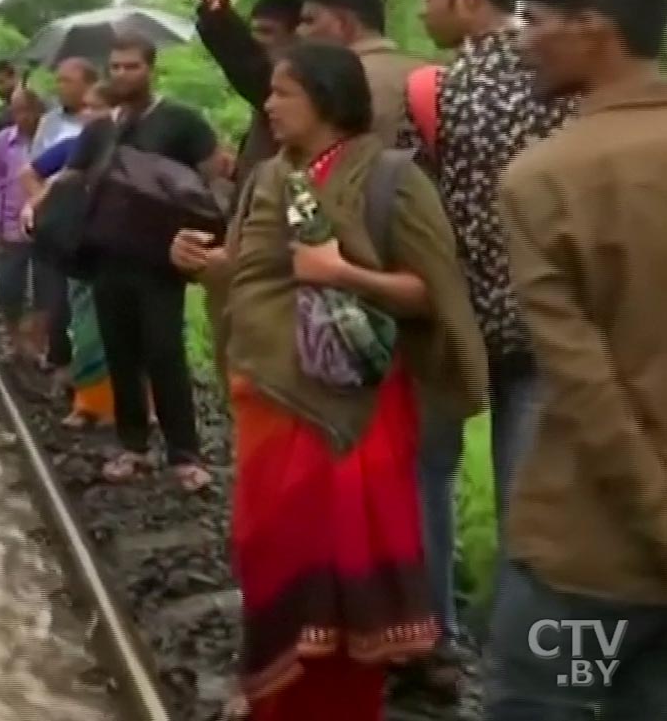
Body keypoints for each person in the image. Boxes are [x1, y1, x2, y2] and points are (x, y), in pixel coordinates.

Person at [174, 43, 486, 721]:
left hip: (350, 417)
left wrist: (342, 273)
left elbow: (432, 292)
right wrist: (204, 261)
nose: (268, 104)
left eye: (283, 91)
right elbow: (253, 268)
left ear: (325, 98)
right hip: (265, 400)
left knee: (337, 583)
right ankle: (273, 699)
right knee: (268, 555)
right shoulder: (266, 178)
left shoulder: (393, 182)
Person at [486, 0, 667, 719]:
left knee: (558, 698)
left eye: (534, 19)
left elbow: (584, 382)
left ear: (593, 26)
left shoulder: (546, 178)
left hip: (591, 564)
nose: (522, 41)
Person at [400, 0, 577, 694]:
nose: (424, 9)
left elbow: (414, 205)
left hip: (455, 325)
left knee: (426, 472)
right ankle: (525, 669)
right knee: (527, 505)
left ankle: (434, 639)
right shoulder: (565, 80)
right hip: (548, 324)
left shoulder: (436, 90)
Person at [66, 32, 224, 490]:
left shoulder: (181, 122)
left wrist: (205, 238)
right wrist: (45, 205)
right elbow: (73, 176)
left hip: (161, 260)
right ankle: (132, 446)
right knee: (120, 353)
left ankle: (184, 454)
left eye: (131, 66)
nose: (121, 74)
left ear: (151, 69)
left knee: (163, 352)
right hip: (109, 256)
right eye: (114, 67)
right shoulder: (101, 128)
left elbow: (216, 178)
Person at [22, 81, 119, 427]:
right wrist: (37, 206)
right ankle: (89, 402)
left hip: (124, 250)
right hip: (81, 248)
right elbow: (37, 175)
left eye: (97, 108)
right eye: (86, 109)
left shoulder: (131, 148)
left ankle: (129, 409)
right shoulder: (75, 147)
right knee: (83, 325)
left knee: (123, 331)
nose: (89, 116)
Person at [26, 57, 97, 373]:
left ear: (88, 84)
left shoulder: (103, 126)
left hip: (95, 224)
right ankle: (64, 368)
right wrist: (37, 204)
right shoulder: (52, 123)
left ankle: (90, 381)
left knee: (87, 305)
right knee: (57, 301)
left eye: (67, 80)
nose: (60, 87)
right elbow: (33, 168)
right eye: (59, 80)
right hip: (57, 224)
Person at [297, 0, 426, 143]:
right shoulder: (428, 71)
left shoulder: (339, 80)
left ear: (344, 23)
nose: (300, 32)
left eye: (309, 21)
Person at [193, 0, 304, 187]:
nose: (257, 42)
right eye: (253, 32)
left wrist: (219, 18)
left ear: (298, 36)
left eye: (267, 32)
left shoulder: (305, 88)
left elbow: (253, 69)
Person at [0, 88, 46, 364]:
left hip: (46, 229)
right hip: (10, 226)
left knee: (44, 293)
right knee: (8, 289)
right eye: (15, 110)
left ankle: (37, 344)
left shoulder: (50, 141)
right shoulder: (4, 140)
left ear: (38, 111)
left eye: (25, 110)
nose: (20, 117)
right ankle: (14, 340)